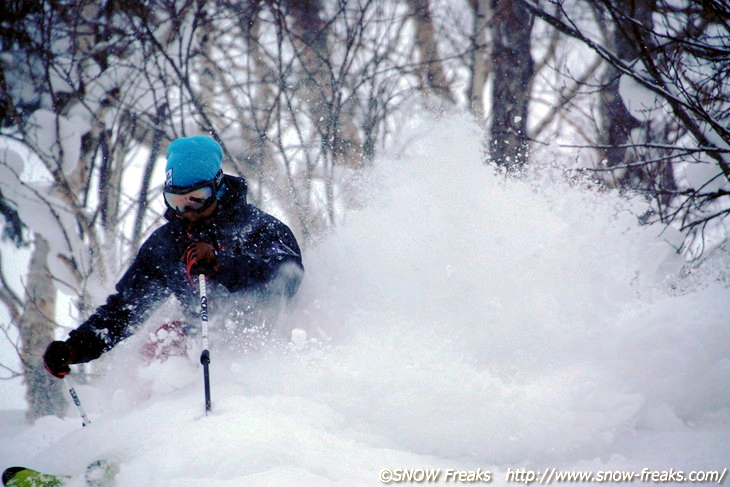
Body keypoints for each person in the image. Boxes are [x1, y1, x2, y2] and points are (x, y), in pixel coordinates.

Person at [43, 136, 304, 378]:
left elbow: (289, 274)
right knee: (162, 342)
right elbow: (124, 309)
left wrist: (222, 266)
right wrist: (76, 348)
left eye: (197, 198)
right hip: (201, 349)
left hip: (265, 348)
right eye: (176, 201)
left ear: (219, 187)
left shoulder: (258, 228)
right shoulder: (166, 246)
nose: (187, 211)